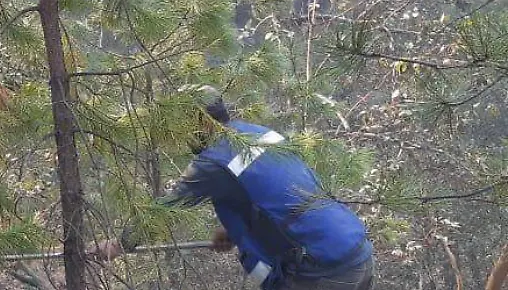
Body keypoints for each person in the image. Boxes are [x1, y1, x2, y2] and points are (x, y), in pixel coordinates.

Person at [92, 87, 374, 290]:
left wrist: (119, 245)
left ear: (201, 123)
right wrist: (235, 230)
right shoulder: (259, 134)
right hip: (356, 251)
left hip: (323, 269)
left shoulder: (213, 162)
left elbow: (165, 210)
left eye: (182, 126)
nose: (181, 136)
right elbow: (278, 191)